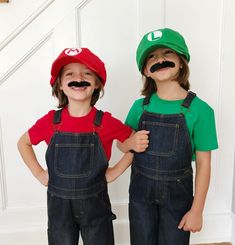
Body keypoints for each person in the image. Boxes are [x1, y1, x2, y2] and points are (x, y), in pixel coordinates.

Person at [17, 47, 149, 245]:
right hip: (59, 207)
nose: (78, 78)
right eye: (70, 74)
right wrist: (39, 173)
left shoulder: (105, 122)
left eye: (87, 73)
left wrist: (114, 172)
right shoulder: (51, 121)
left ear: (96, 84)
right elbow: (23, 143)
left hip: (96, 203)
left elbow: (133, 142)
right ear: (60, 84)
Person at [122, 28, 218, 245]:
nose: (160, 60)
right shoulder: (140, 107)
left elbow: (204, 164)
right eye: (152, 57)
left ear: (182, 61)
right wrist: (129, 142)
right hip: (140, 194)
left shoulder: (201, 111)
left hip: (178, 196)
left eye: (167, 53)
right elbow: (122, 144)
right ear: (146, 70)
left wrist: (197, 210)